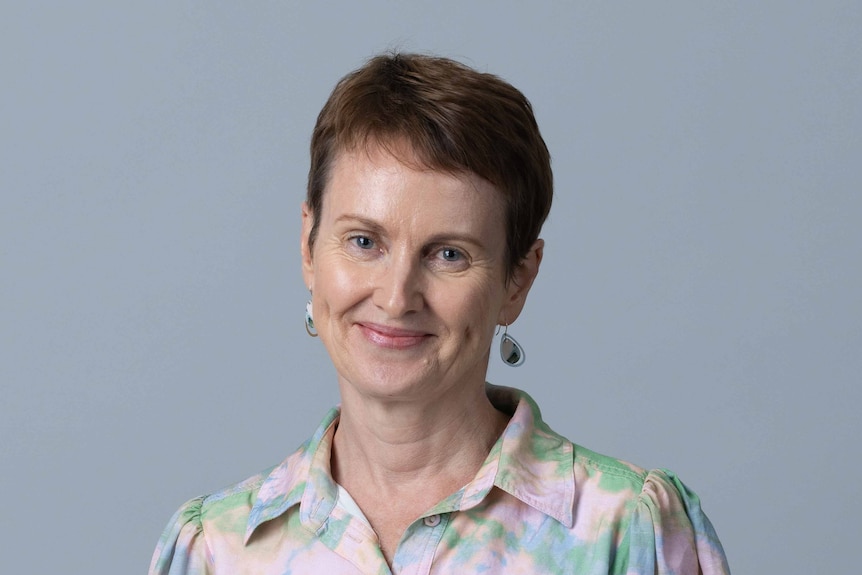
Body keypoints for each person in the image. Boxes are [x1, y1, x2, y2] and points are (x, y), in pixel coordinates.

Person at [149, 53, 730, 575]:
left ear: (518, 279)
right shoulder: (218, 551)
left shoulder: (627, 532)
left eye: (448, 254)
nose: (397, 296)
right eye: (363, 242)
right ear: (308, 247)